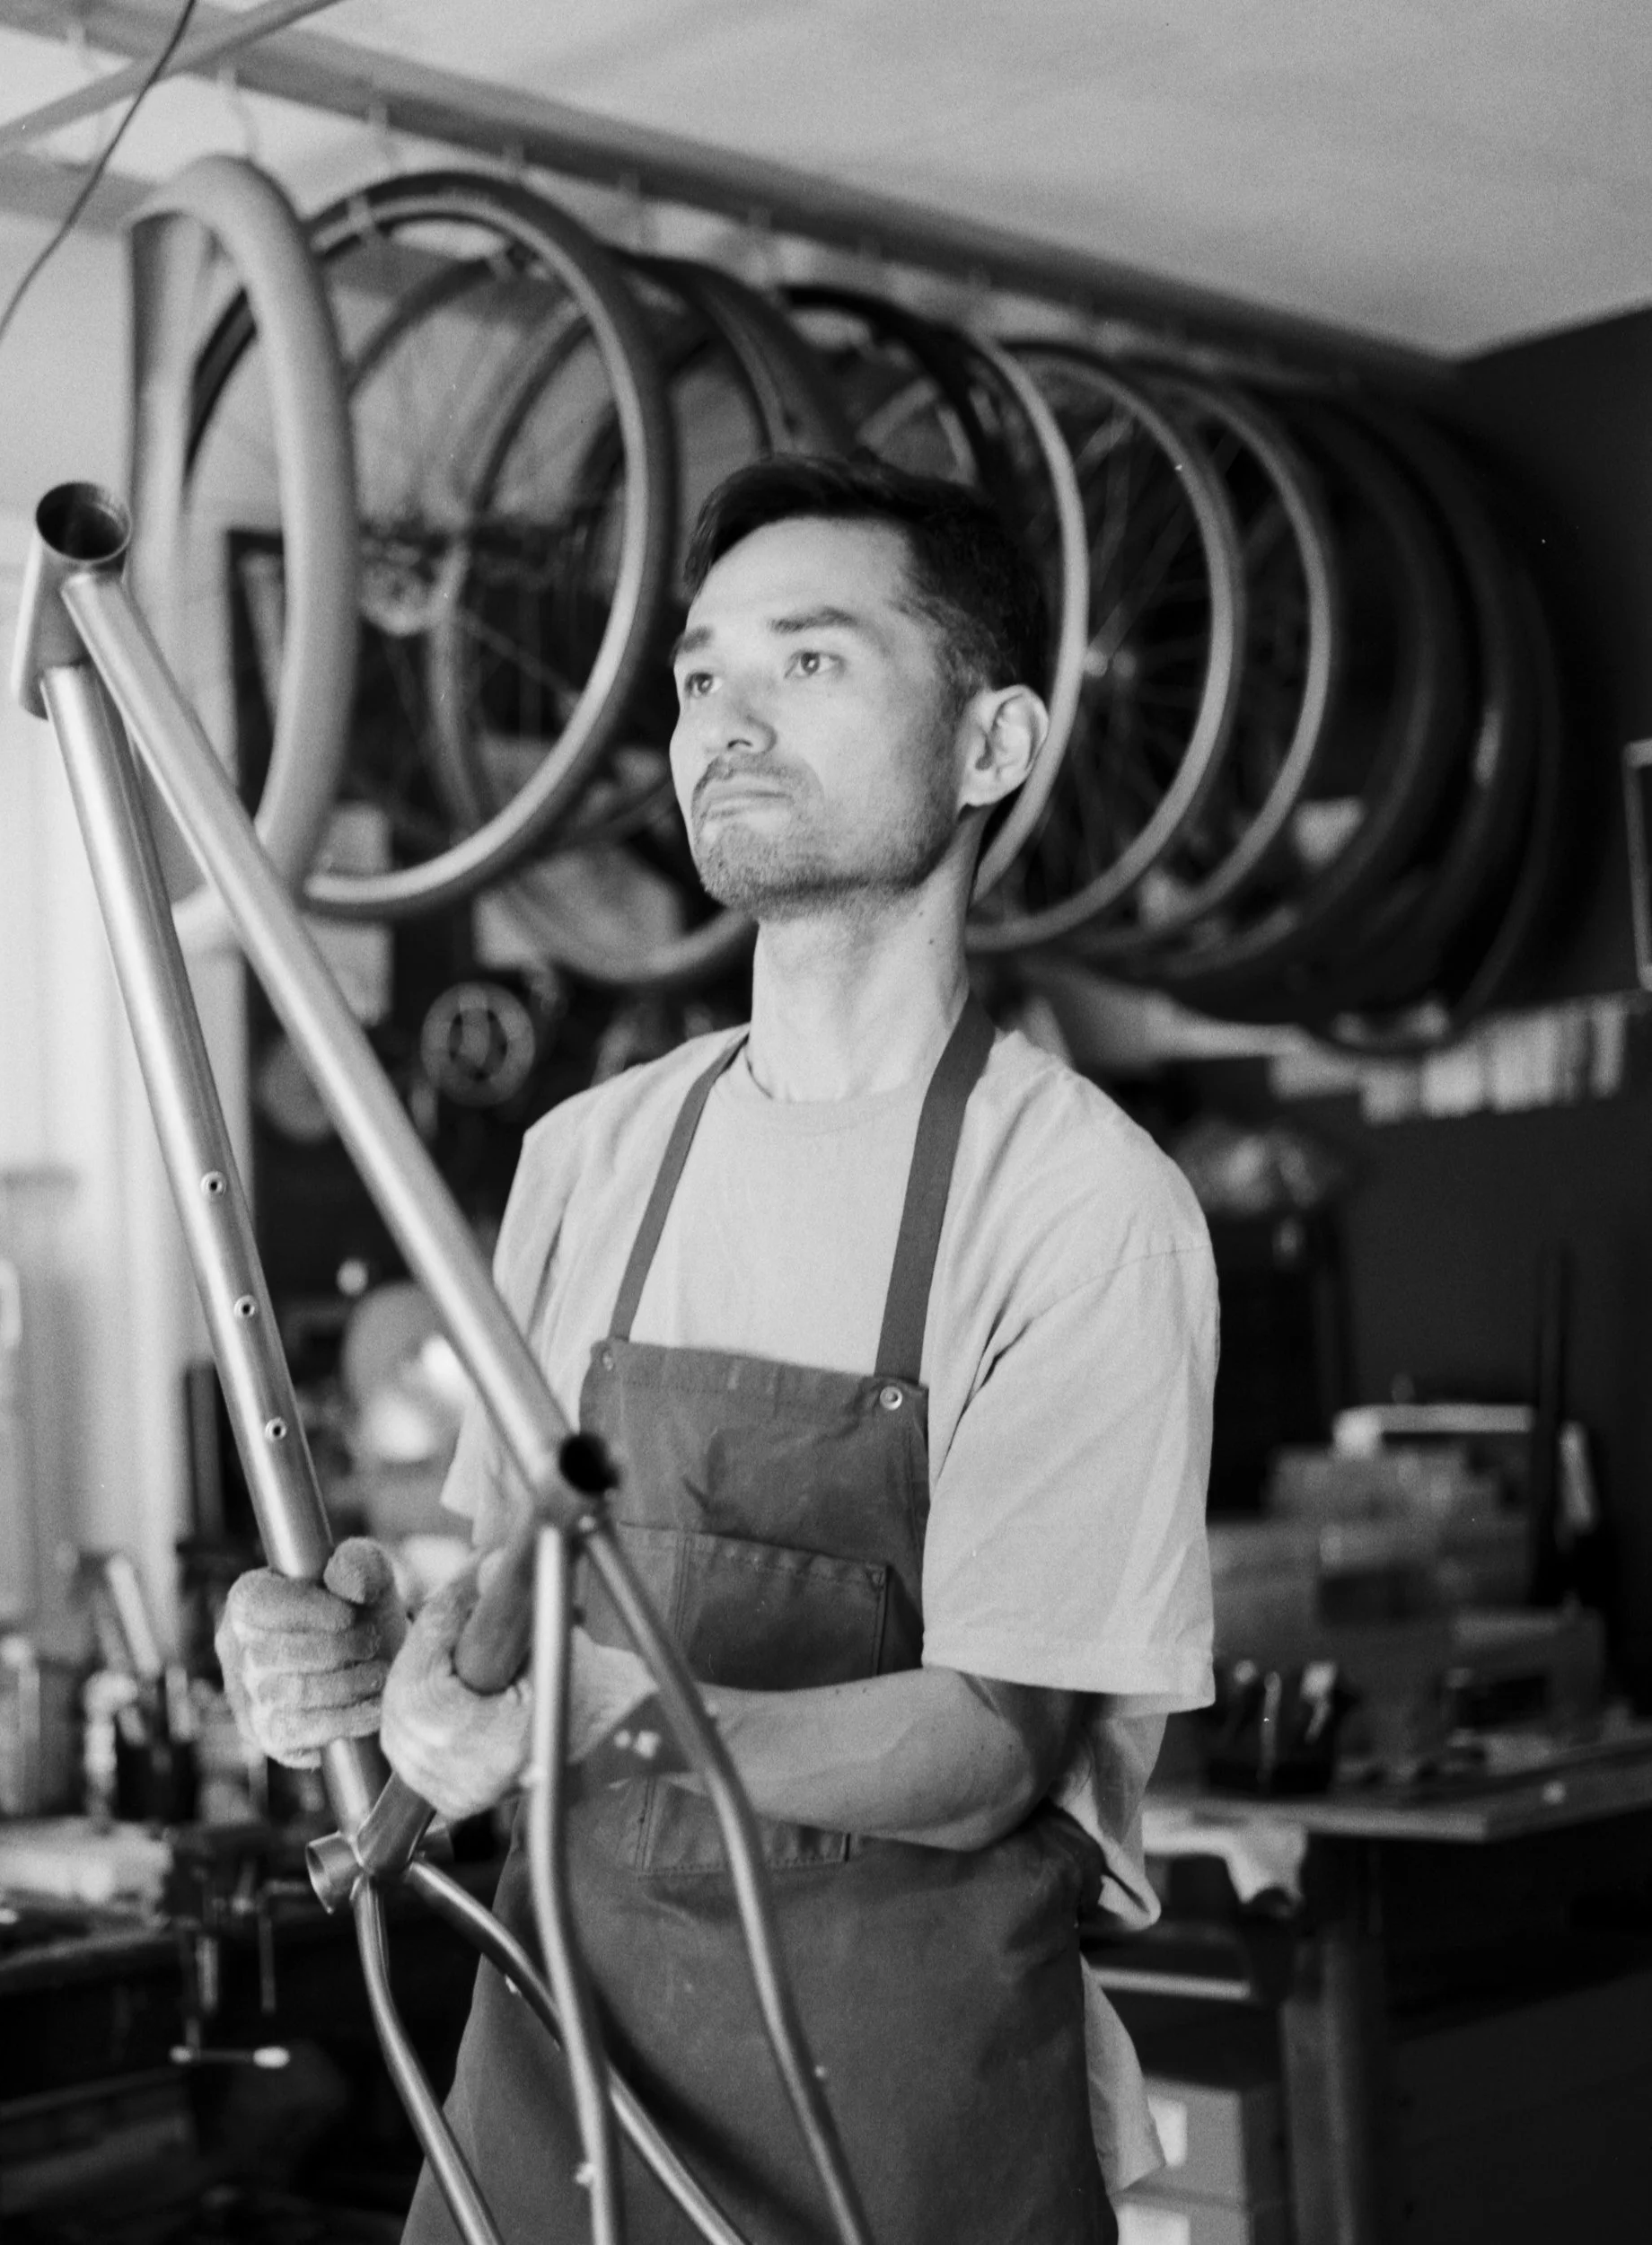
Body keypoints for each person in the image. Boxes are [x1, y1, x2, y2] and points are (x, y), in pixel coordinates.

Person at [218, 454, 1216, 2244]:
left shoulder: (1081, 1205)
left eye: (808, 661)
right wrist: (362, 1650)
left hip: (892, 2132)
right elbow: (504, 1599)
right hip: (559, 2102)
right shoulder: (587, 1158)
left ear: (991, 745)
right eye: (696, 678)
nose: (723, 723)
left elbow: (987, 1749)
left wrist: (618, 1727)